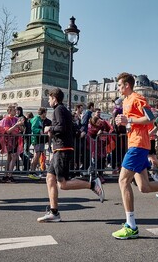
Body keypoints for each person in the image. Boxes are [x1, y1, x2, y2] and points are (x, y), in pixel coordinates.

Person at [111, 73, 158, 239]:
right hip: (134, 143)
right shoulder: (125, 101)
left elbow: (150, 117)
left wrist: (129, 121)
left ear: (126, 85)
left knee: (123, 181)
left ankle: (131, 226)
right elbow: (130, 122)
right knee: (144, 187)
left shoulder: (137, 98)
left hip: (139, 145)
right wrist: (123, 122)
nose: (117, 88)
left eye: (119, 85)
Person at [36, 88, 104, 222]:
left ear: (54, 98)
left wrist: (50, 128)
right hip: (60, 148)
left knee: (63, 184)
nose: (48, 100)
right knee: (50, 179)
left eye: (49, 98)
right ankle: (54, 212)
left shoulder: (58, 110)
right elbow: (71, 128)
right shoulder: (63, 110)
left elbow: (61, 128)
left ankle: (92, 184)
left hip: (62, 149)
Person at [0, 105, 25, 182]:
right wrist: (16, 125)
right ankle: (9, 175)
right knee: (13, 157)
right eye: (13, 110)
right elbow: (7, 131)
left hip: (15, 140)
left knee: (10, 158)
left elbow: (22, 130)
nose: (15, 111)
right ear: (9, 111)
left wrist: (21, 125)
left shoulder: (16, 119)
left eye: (15, 110)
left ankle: (6, 175)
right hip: (9, 140)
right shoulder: (6, 119)